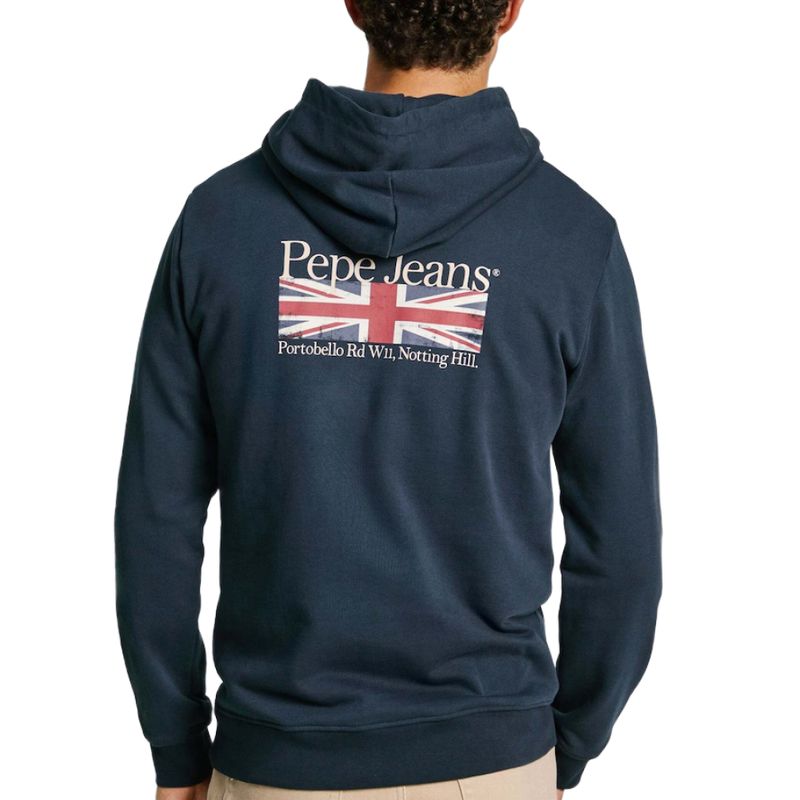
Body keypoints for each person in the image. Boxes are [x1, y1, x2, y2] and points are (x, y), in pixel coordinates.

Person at [114, 1, 663, 798]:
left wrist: (176, 745)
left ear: (354, 3)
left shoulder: (220, 220)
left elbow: (155, 517)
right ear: (510, 11)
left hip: (273, 764)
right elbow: (622, 549)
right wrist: (562, 748)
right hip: (490, 761)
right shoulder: (572, 238)